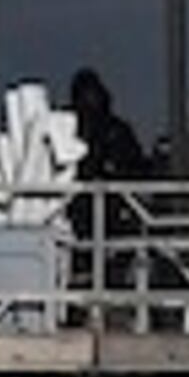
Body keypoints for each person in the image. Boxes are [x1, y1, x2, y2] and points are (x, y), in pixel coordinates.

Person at [63, 67, 157, 305]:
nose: (90, 101)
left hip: (114, 218)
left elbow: (138, 172)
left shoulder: (116, 132)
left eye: (93, 94)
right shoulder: (66, 132)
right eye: (85, 95)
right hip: (74, 220)